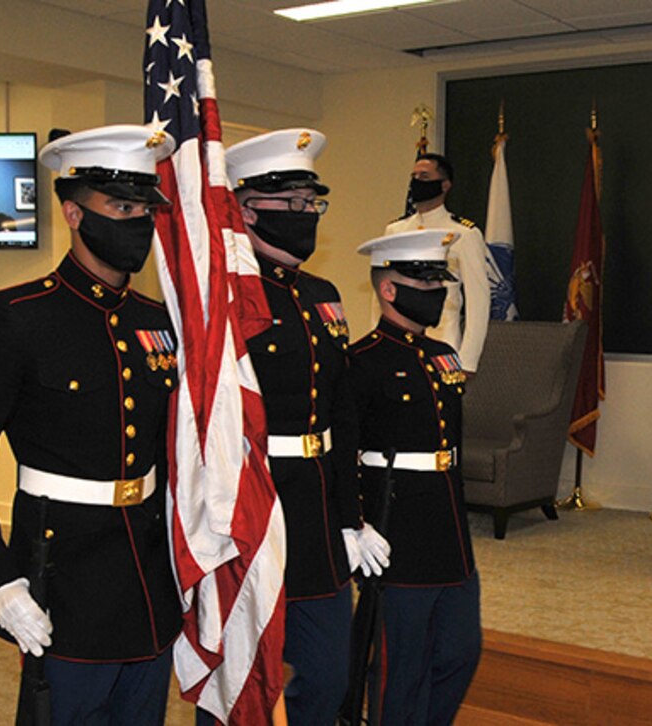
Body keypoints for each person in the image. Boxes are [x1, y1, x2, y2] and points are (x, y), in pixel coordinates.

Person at [0, 125, 183, 723]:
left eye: (145, 209)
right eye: (121, 207)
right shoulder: (13, 318)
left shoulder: (157, 319)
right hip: (63, 576)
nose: (138, 222)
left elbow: (172, 449)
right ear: (73, 212)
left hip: (149, 575)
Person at [223, 128, 389, 726]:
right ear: (245, 209)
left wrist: (351, 516)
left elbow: (342, 414)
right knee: (241, 680)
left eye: (312, 204)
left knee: (328, 673)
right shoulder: (225, 294)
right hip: (254, 502)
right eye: (289, 204)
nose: (305, 215)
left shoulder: (323, 294)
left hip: (317, 509)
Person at [350, 229, 481, 725]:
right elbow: (347, 452)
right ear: (389, 289)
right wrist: (355, 523)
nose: (435, 292)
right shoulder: (361, 361)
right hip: (396, 529)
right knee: (397, 666)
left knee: (460, 652)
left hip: (448, 528)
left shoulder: (444, 355)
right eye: (422, 281)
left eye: (437, 281)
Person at [383, 153, 491, 374]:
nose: (416, 182)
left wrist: (468, 360)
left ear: (444, 185)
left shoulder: (464, 234)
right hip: (399, 345)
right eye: (413, 176)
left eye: (424, 176)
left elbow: (478, 302)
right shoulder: (395, 231)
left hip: (442, 342)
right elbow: (383, 294)